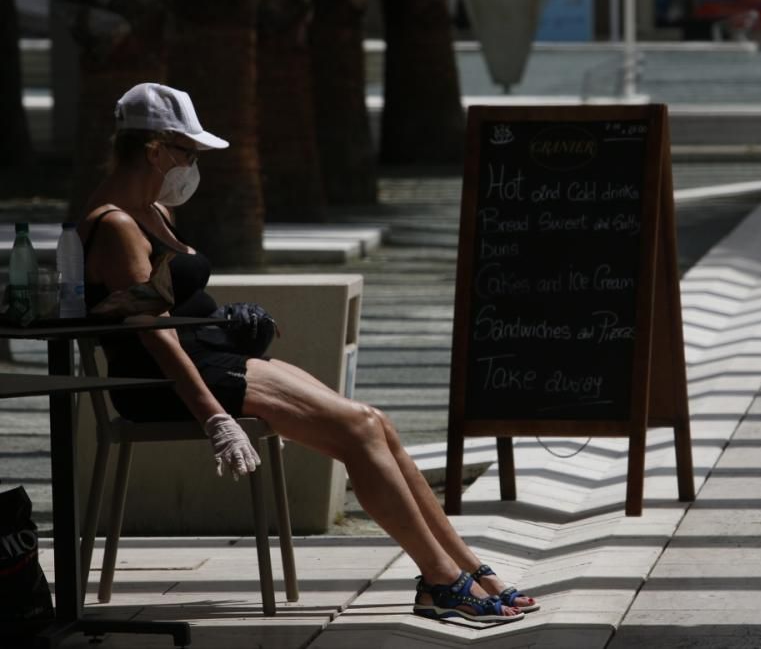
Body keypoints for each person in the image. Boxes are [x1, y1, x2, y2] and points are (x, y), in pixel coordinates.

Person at [79, 82, 539, 624]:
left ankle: (468, 568)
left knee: (375, 423)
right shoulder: (115, 226)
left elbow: (177, 299)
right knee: (358, 431)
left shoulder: (152, 210)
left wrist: (231, 319)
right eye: (188, 152)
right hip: (169, 381)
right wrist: (215, 419)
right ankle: (441, 580)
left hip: (213, 353)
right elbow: (152, 333)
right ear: (155, 149)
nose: (193, 165)